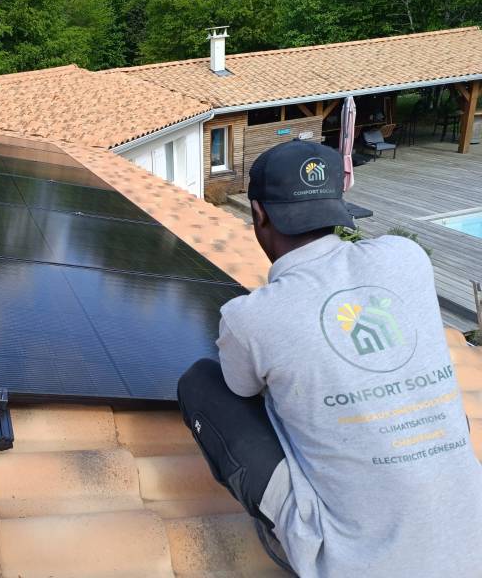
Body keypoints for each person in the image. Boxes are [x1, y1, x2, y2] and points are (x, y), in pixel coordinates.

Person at [177, 140, 482, 577]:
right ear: (339, 207)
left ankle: (297, 537)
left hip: (355, 565)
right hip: (471, 541)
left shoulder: (250, 317)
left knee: (201, 382)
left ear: (259, 214)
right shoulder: (408, 257)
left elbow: (241, 389)